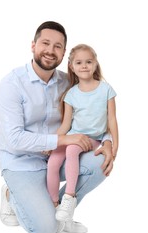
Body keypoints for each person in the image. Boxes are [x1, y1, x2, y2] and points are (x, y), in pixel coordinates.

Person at [0, 21, 114, 233]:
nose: (50, 50)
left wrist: (107, 140)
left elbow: (93, 115)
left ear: (63, 53)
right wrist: (61, 140)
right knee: (44, 230)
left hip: (56, 160)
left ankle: (61, 210)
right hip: (21, 164)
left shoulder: (68, 83)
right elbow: (13, 139)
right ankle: (11, 194)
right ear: (33, 45)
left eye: (57, 46)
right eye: (45, 43)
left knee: (101, 162)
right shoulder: (11, 84)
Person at [47, 44, 118, 222]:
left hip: (92, 138)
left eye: (88, 62)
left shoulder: (106, 90)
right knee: (53, 161)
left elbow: (111, 120)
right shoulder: (71, 94)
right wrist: (52, 142)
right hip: (73, 135)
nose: (84, 66)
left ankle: (69, 198)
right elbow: (65, 125)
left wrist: (114, 146)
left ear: (95, 64)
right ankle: (54, 204)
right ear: (71, 66)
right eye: (79, 62)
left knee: (71, 150)